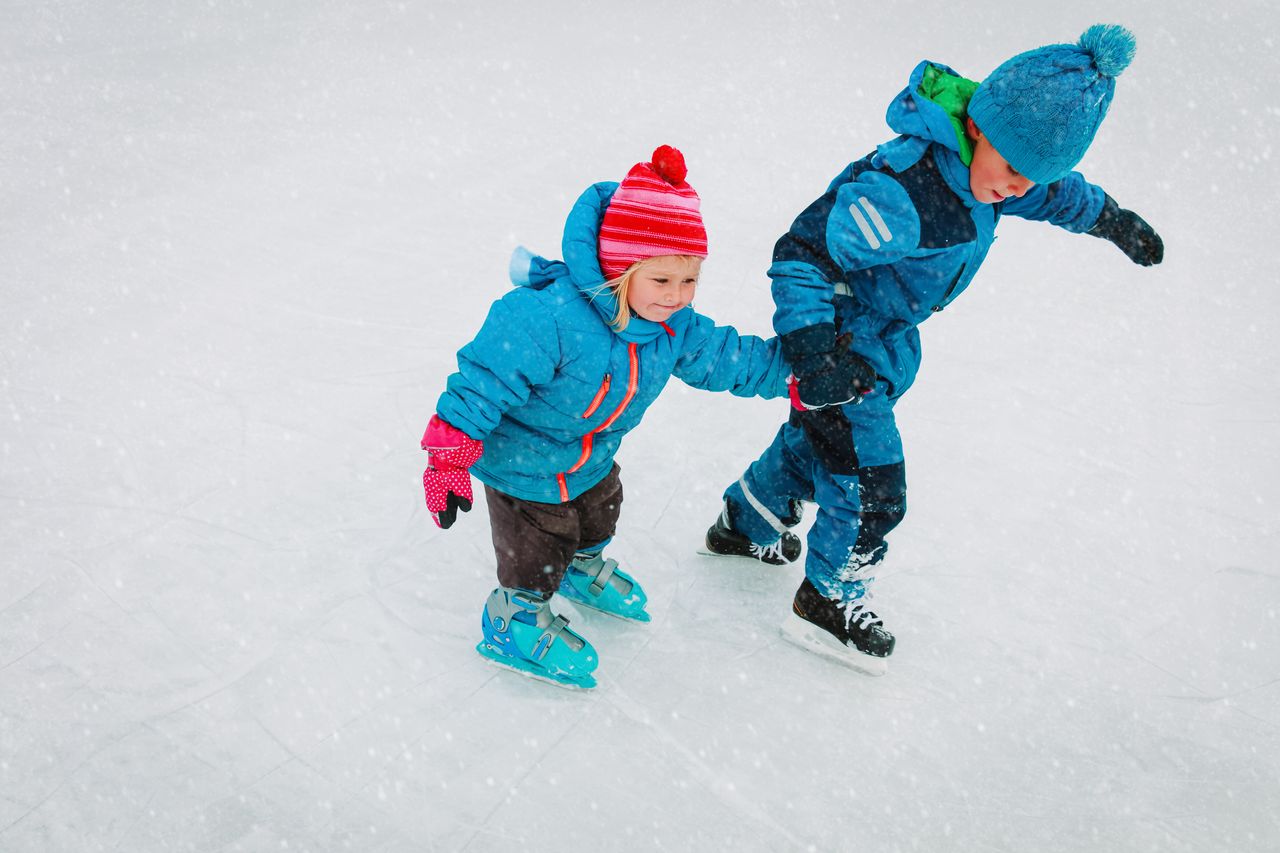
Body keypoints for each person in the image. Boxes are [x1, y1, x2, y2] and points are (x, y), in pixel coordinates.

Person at [702, 25, 1165, 675]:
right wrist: (814, 351)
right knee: (871, 481)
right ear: (980, 128)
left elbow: (1056, 191)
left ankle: (746, 517)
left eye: (1033, 178)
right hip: (843, 346)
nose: (1018, 190)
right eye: (1012, 171)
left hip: (881, 343)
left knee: (823, 443)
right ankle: (827, 599)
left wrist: (1111, 219)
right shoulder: (906, 191)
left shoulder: (994, 170)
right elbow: (804, 253)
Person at [421, 147, 862, 689]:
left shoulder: (672, 325)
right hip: (524, 463)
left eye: (689, 280)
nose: (676, 297)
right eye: (661, 281)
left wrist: (799, 374)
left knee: (599, 510)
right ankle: (513, 613)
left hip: (591, 454)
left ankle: (581, 568)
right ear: (619, 268)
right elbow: (481, 383)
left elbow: (728, 358)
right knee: (539, 542)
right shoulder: (547, 318)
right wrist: (448, 458)